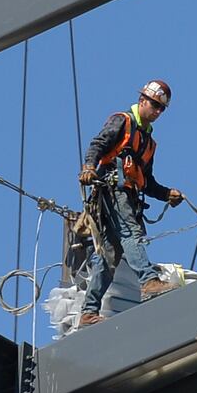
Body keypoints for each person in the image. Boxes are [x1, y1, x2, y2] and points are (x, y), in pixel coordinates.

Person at [75, 79, 186, 328]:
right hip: (112, 190)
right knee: (130, 234)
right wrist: (89, 167)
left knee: (108, 257)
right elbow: (98, 144)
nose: (157, 112)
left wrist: (167, 193)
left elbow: (146, 181)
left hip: (128, 194)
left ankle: (88, 313)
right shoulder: (122, 121)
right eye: (154, 105)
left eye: (161, 109)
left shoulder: (148, 142)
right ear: (142, 101)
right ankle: (148, 281)